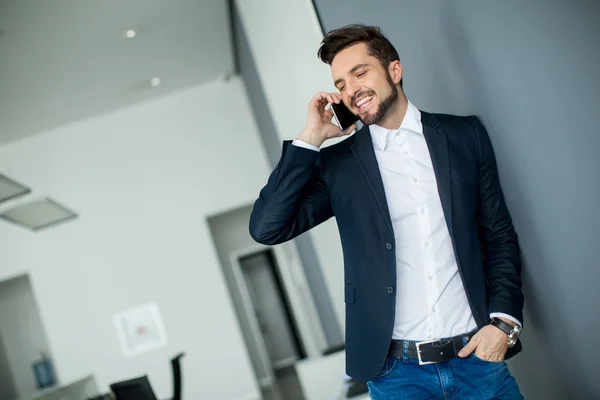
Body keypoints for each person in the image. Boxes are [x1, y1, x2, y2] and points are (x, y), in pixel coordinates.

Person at [249, 24, 524, 399]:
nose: (351, 90)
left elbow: (498, 234)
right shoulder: (339, 166)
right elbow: (267, 227)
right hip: (397, 375)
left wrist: (504, 323)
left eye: (360, 73)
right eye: (341, 84)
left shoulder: (464, 136)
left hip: (476, 358)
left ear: (394, 70)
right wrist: (310, 138)